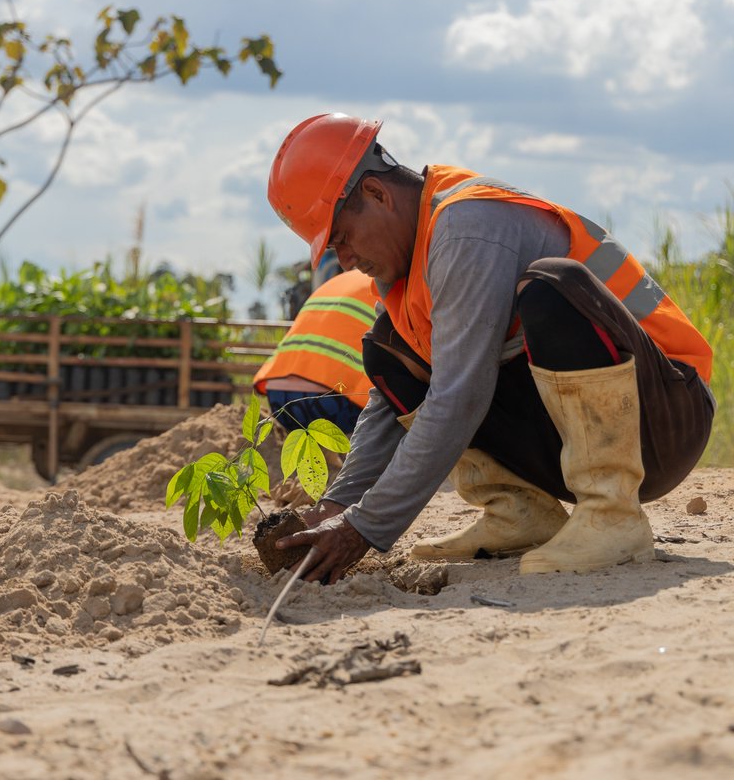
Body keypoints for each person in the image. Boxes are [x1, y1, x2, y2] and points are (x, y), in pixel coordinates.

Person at [266, 113, 715, 583]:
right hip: (588, 429)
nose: (346, 260)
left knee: (551, 289)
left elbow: (460, 396)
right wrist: (336, 508)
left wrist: (362, 528)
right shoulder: (407, 271)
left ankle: (612, 513)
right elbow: (392, 402)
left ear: (377, 194)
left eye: (342, 239)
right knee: (389, 348)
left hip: (668, 418)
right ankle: (518, 513)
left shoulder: (467, 225)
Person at [253, 265, 376, 440]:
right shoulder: (385, 284)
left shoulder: (336, 283)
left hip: (278, 398)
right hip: (331, 402)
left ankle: (328, 457)